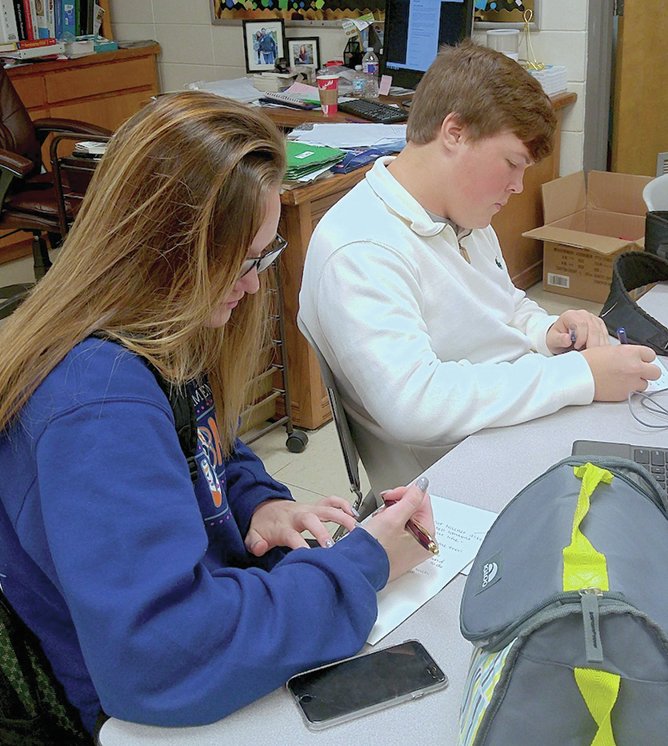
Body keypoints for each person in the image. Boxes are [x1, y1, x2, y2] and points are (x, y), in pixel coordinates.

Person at [0, 93, 434, 737]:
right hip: (133, 715)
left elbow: (208, 446)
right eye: (243, 259)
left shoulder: (156, 331)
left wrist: (256, 501)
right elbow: (163, 661)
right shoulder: (97, 407)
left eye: (262, 254)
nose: (256, 282)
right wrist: (365, 563)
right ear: (168, 247)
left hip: (187, 647)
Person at [298, 40, 660, 495]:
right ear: (454, 132)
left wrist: (547, 332)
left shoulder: (459, 212)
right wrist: (580, 375)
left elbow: (504, 304)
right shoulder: (360, 247)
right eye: (511, 164)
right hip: (455, 478)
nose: (517, 186)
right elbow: (415, 404)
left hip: (511, 430)